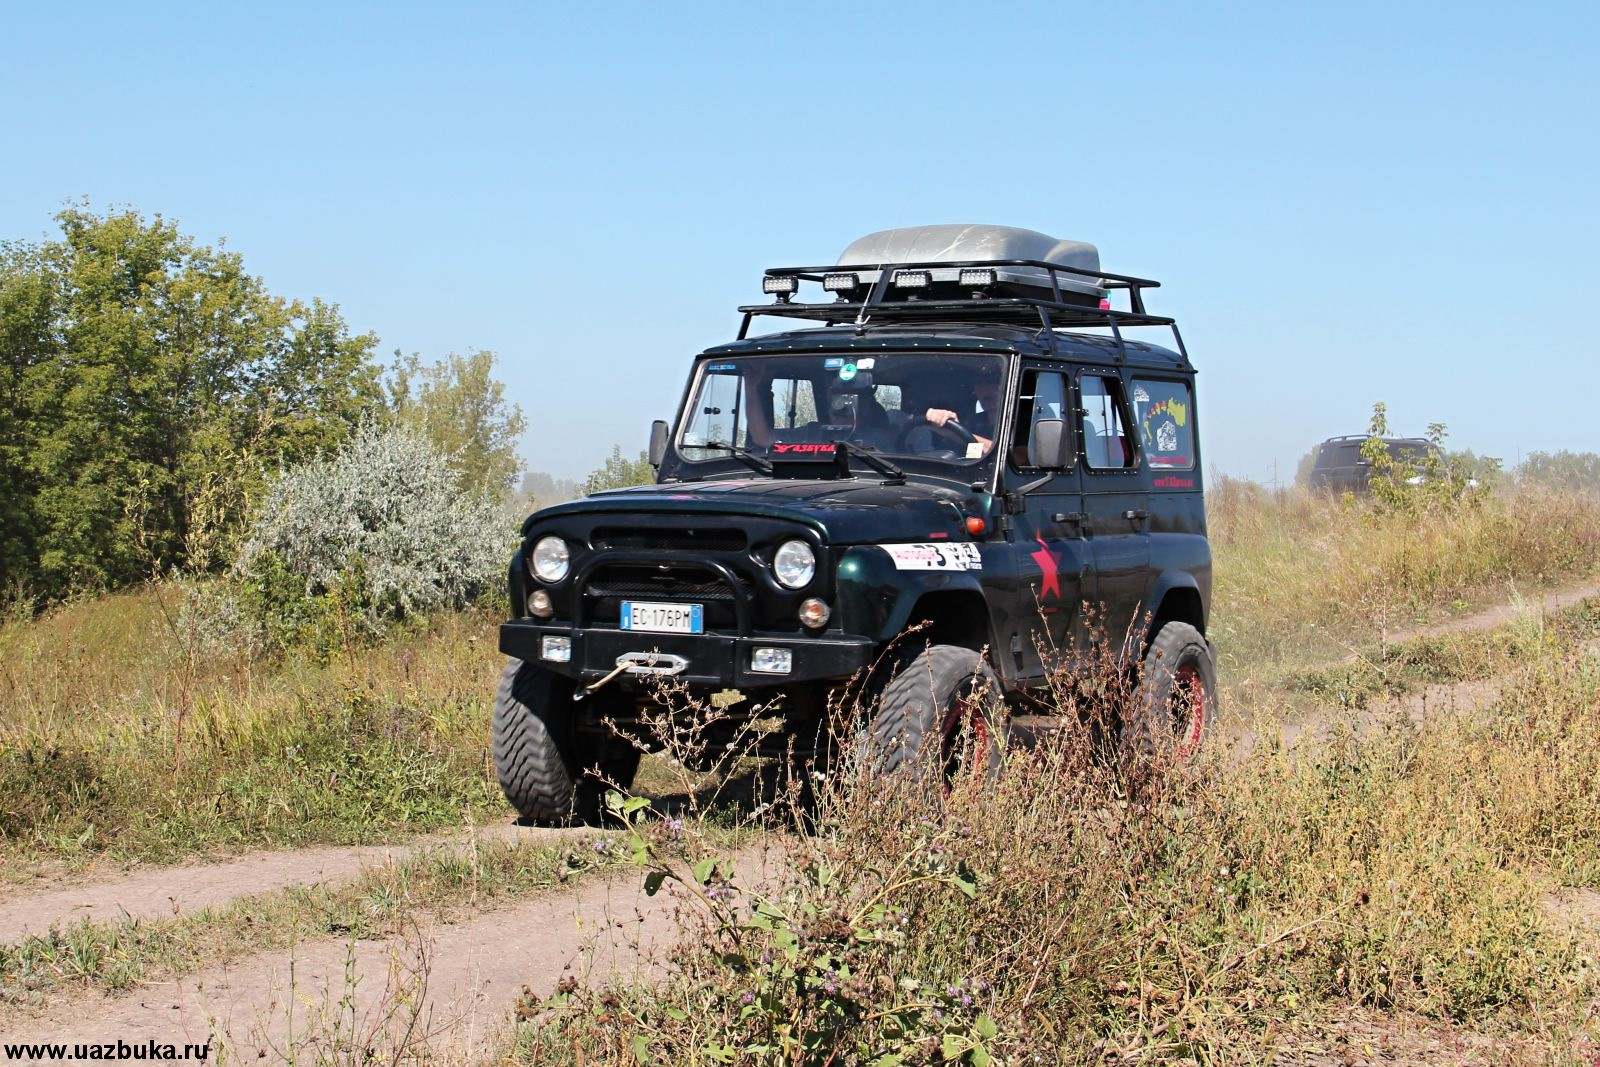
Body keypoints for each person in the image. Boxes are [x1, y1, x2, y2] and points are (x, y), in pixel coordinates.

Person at [917, 374, 998, 457]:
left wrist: (955, 434)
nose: (983, 388)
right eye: (978, 382)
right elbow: (971, 456)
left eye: (991, 381)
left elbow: (1003, 457)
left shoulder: (1010, 425)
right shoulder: (971, 423)